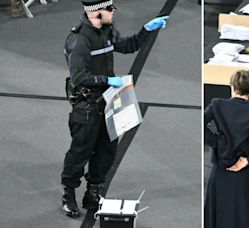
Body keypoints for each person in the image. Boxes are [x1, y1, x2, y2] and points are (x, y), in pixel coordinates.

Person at [61, 0, 169, 218]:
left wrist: (145, 31)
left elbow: (128, 46)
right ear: (97, 13)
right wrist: (109, 79)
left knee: (107, 149)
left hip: (108, 102)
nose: (114, 12)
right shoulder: (80, 39)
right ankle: (69, 194)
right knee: (81, 150)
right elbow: (79, 76)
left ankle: (93, 191)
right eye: (110, 9)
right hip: (87, 105)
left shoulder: (106, 31)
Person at [204, 70, 249, 228]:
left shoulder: (217, 104)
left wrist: (216, 141)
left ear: (233, 86)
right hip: (243, 175)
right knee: (244, 218)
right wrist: (248, 160)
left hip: (220, 171)